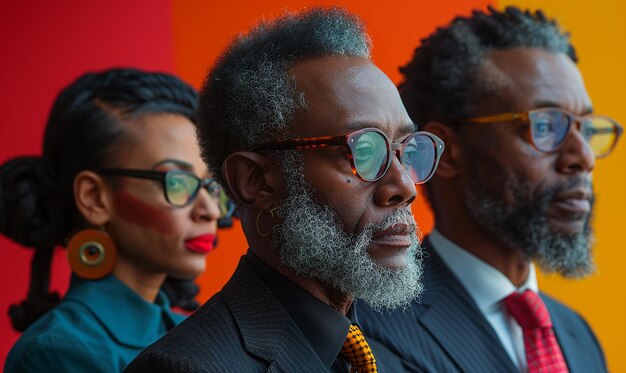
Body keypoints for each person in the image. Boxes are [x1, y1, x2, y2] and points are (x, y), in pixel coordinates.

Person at [126, 7, 444, 373]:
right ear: (255, 181)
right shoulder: (184, 368)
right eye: (364, 151)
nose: (403, 186)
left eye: (406, 149)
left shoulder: (383, 356)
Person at [358, 6, 621, 373]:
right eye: (544, 126)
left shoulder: (577, 335)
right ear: (445, 152)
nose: (582, 157)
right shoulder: (372, 330)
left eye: (585, 128)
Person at [2, 68, 224, 372]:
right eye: (178, 182)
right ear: (94, 198)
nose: (210, 209)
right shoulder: (58, 354)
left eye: (210, 185)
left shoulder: (198, 335)